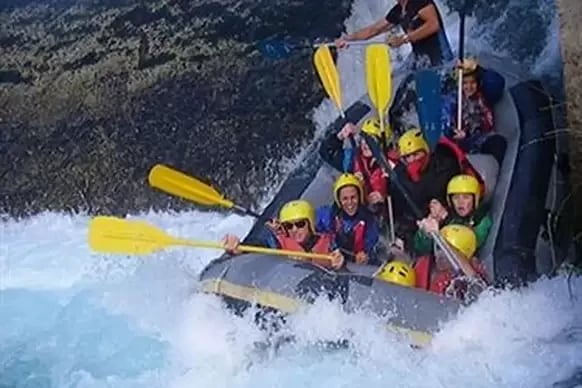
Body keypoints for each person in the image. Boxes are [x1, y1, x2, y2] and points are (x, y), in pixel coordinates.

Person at [388, 129, 464, 249]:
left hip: (445, 218)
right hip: (417, 224)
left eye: (416, 154)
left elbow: (457, 196)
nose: (412, 160)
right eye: (408, 157)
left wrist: (443, 212)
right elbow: (400, 210)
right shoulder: (399, 176)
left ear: (425, 151)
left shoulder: (444, 167)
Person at [223, 200, 344, 270]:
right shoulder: (280, 242)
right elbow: (259, 247)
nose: (295, 229)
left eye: (300, 224)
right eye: (289, 226)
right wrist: (238, 247)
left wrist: (340, 261)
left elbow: (344, 255)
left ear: (310, 224)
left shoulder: (329, 242)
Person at [334, 0, 453, 69]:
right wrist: (348, 39)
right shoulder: (398, 11)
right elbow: (374, 30)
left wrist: (404, 39)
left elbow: (433, 24)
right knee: (397, 107)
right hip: (421, 61)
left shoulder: (419, 2)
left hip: (441, 62)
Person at [413, 174, 492, 255]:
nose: (460, 202)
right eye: (456, 197)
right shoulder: (447, 214)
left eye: (466, 197)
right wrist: (426, 233)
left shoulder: (481, 218)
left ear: (475, 199)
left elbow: (468, 244)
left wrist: (444, 222)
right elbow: (420, 249)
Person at [316, 173, 380, 265]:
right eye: (345, 199)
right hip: (332, 261)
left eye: (353, 197)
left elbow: (374, 245)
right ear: (338, 200)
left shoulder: (369, 220)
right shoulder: (327, 215)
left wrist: (366, 255)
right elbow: (315, 234)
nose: (350, 203)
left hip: (355, 266)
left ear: (359, 197)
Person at [414, 224, 488, 297]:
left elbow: (476, 284)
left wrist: (444, 242)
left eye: (447, 251)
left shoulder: (468, 274)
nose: (440, 255)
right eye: (439, 248)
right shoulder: (423, 264)